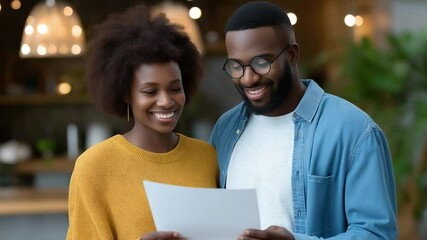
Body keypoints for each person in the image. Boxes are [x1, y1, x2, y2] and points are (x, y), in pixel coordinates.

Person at [209, 1, 397, 239]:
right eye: (236, 66)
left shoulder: (354, 130)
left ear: (292, 55)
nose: (248, 79)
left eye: (261, 63)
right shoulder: (224, 129)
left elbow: (376, 234)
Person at [66, 4, 218, 240]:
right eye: (150, 91)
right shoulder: (93, 168)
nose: (166, 101)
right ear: (126, 93)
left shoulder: (207, 157)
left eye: (175, 88)